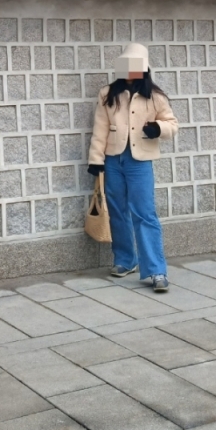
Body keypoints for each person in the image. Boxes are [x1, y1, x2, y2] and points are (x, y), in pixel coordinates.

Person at [87, 42, 178, 292]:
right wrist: (96, 159)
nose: (129, 71)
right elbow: (100, 128)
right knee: (117, 210)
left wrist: (157, 128)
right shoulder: (108, 93)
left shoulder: (155, 96)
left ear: (144, 69)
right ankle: (125, 261)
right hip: (113, 160)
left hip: (140, 161)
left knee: (144, 213)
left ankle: (157, 271)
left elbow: (172, 123)